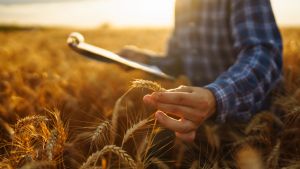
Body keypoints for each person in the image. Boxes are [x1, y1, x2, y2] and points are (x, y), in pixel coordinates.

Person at [119, 0, 282, 143]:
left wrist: (215, 97)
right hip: (200, 127)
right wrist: (144, 59)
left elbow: (264, 54)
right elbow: (178, 61)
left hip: (255, 127)